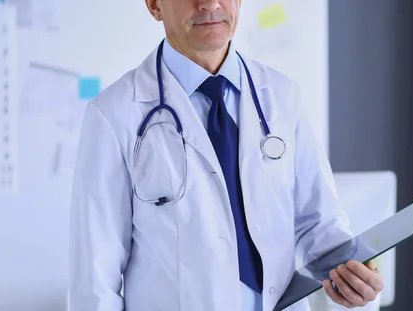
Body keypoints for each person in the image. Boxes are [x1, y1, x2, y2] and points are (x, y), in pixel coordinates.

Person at [68, 0, 384, 310]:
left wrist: (351, 275)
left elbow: (318, 223)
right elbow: (96, 278)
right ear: (154, 5)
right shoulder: (114, 115)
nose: (209, 4)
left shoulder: (282, 96)